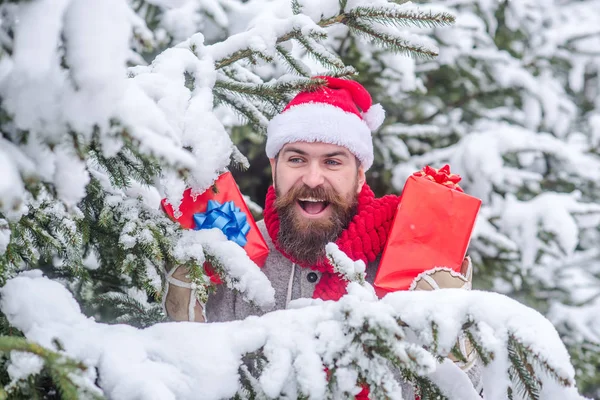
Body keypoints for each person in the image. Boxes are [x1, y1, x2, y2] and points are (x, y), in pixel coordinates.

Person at [164, 76, 481, 396]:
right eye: (297, 159)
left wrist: (459, 344)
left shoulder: (408, 263)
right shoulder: (234, 254)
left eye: (332, 161)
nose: (313, 179)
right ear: (275, 168)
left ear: (359, 176)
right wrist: (183, 331)